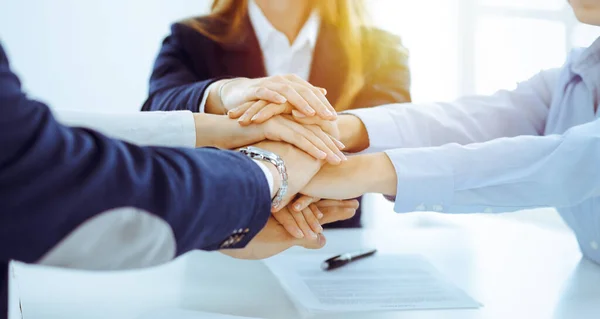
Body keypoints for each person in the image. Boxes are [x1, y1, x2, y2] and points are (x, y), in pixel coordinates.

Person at [0, 42, 359, 317]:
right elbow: (42, 170)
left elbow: (33, 135)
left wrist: (228, 130)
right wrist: (267, 173)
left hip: (329, 238)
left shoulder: (371, 43)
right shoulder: (193, 36)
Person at [293, 0, 600, 266]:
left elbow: (575, 161)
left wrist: (360, 171)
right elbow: (472, 121)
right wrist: (335, 130)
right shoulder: (574, 75)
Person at [142, 0, 412, 227]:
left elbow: (398, 133)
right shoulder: (191, 38)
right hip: (220, 231)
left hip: (330, 237)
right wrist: (224, 93)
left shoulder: (379, 48)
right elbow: (155, 115)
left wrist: (293, 184)